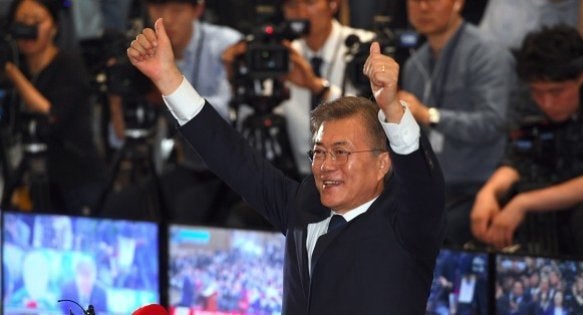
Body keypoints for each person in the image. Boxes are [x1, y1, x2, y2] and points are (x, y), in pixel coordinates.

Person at [127, 17, 446, 314]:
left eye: (341, 152)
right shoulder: (304, 205)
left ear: (382, 163)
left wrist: (390, 107)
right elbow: (230, 155)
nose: (325, 165)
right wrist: (167, 78)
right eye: (319, 152)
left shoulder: (407, 222)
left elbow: (420, 178)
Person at [470, 25, 583, 258]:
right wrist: (488, 193)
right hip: (547, 197)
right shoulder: (528, 97)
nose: (547, 103)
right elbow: (518, 156)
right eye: (538, 92)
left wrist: (524, 203)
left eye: (556, 92)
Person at [396, 0, 515, 246]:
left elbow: (493, 122)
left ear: (458, 3)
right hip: (429, 187)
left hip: (477, 185)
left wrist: (430, 115)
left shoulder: (487, 53)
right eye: (414, 1)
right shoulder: (413, 63)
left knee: (431, 234)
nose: (423, 7)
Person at [223, 0, 375, 179]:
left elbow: (372, 122)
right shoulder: (279, 54)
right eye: (291, 4)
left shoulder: (364, 45)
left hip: (356, 176)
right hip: (300, 177)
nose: (300, 12)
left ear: (333, 4)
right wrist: (236, 77)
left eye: (309, 2)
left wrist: (317, 87)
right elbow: (255, 125)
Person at [136, 0, 242, 224]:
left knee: (185, 210)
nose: (166, 20)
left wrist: (169, 93)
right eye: (158, 8)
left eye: (176, 10)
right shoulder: (144, 50)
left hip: (232, 164)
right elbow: (119, 138)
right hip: (183, 163)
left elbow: (227, 112)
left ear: (198, 10)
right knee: (133, 205)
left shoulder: (226, 44)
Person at [2, 0, 106, 215]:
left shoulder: (69, 66)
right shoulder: (19, 67)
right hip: (35, 177)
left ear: (55, 26)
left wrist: (11, 72)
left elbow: (52, 116)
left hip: (76, 180)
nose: (28, 28)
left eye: (36, 21)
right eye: (21, 21)